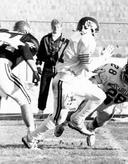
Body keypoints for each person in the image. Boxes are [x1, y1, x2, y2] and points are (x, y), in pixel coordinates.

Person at [22, 17, 107, 149]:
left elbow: (80, 61)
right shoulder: (86, 39)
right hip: (65, 80)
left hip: (74, 79)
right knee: (58, 119)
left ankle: (77, 119)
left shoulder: (76, 36)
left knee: (100, 96)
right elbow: (88, 67)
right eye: (94, 30)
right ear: (88, 26)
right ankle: (31, 138)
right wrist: (103, 58)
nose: (95, 33)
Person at [55, 63, 128, 147]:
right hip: (97, 97)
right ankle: (62, 124)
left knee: (103, 120)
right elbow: (91, 80)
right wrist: (93, 88)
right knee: (77, 114)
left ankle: (90, 129)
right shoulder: (111, 71)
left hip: (110, 104)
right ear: (122, 74)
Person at [0, 21, 40, 138]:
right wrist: (35, 70)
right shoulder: (25, 37)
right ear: (26, 31)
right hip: (1, 66)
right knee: (24, 99)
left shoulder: (3, 33)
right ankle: (31, 134)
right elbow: (25, 49)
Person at [35, 19, 67, 118]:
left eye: (57, 27)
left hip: (60, 68)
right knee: (43, 89)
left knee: (60, 90)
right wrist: (38, 66)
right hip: (47, 67)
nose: (55, 29)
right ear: (51, 26)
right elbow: (39, 54)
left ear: (61, 27)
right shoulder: (45, 39)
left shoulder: (65, 40)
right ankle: (40, 110)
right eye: (53, 26)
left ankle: (58, 111)